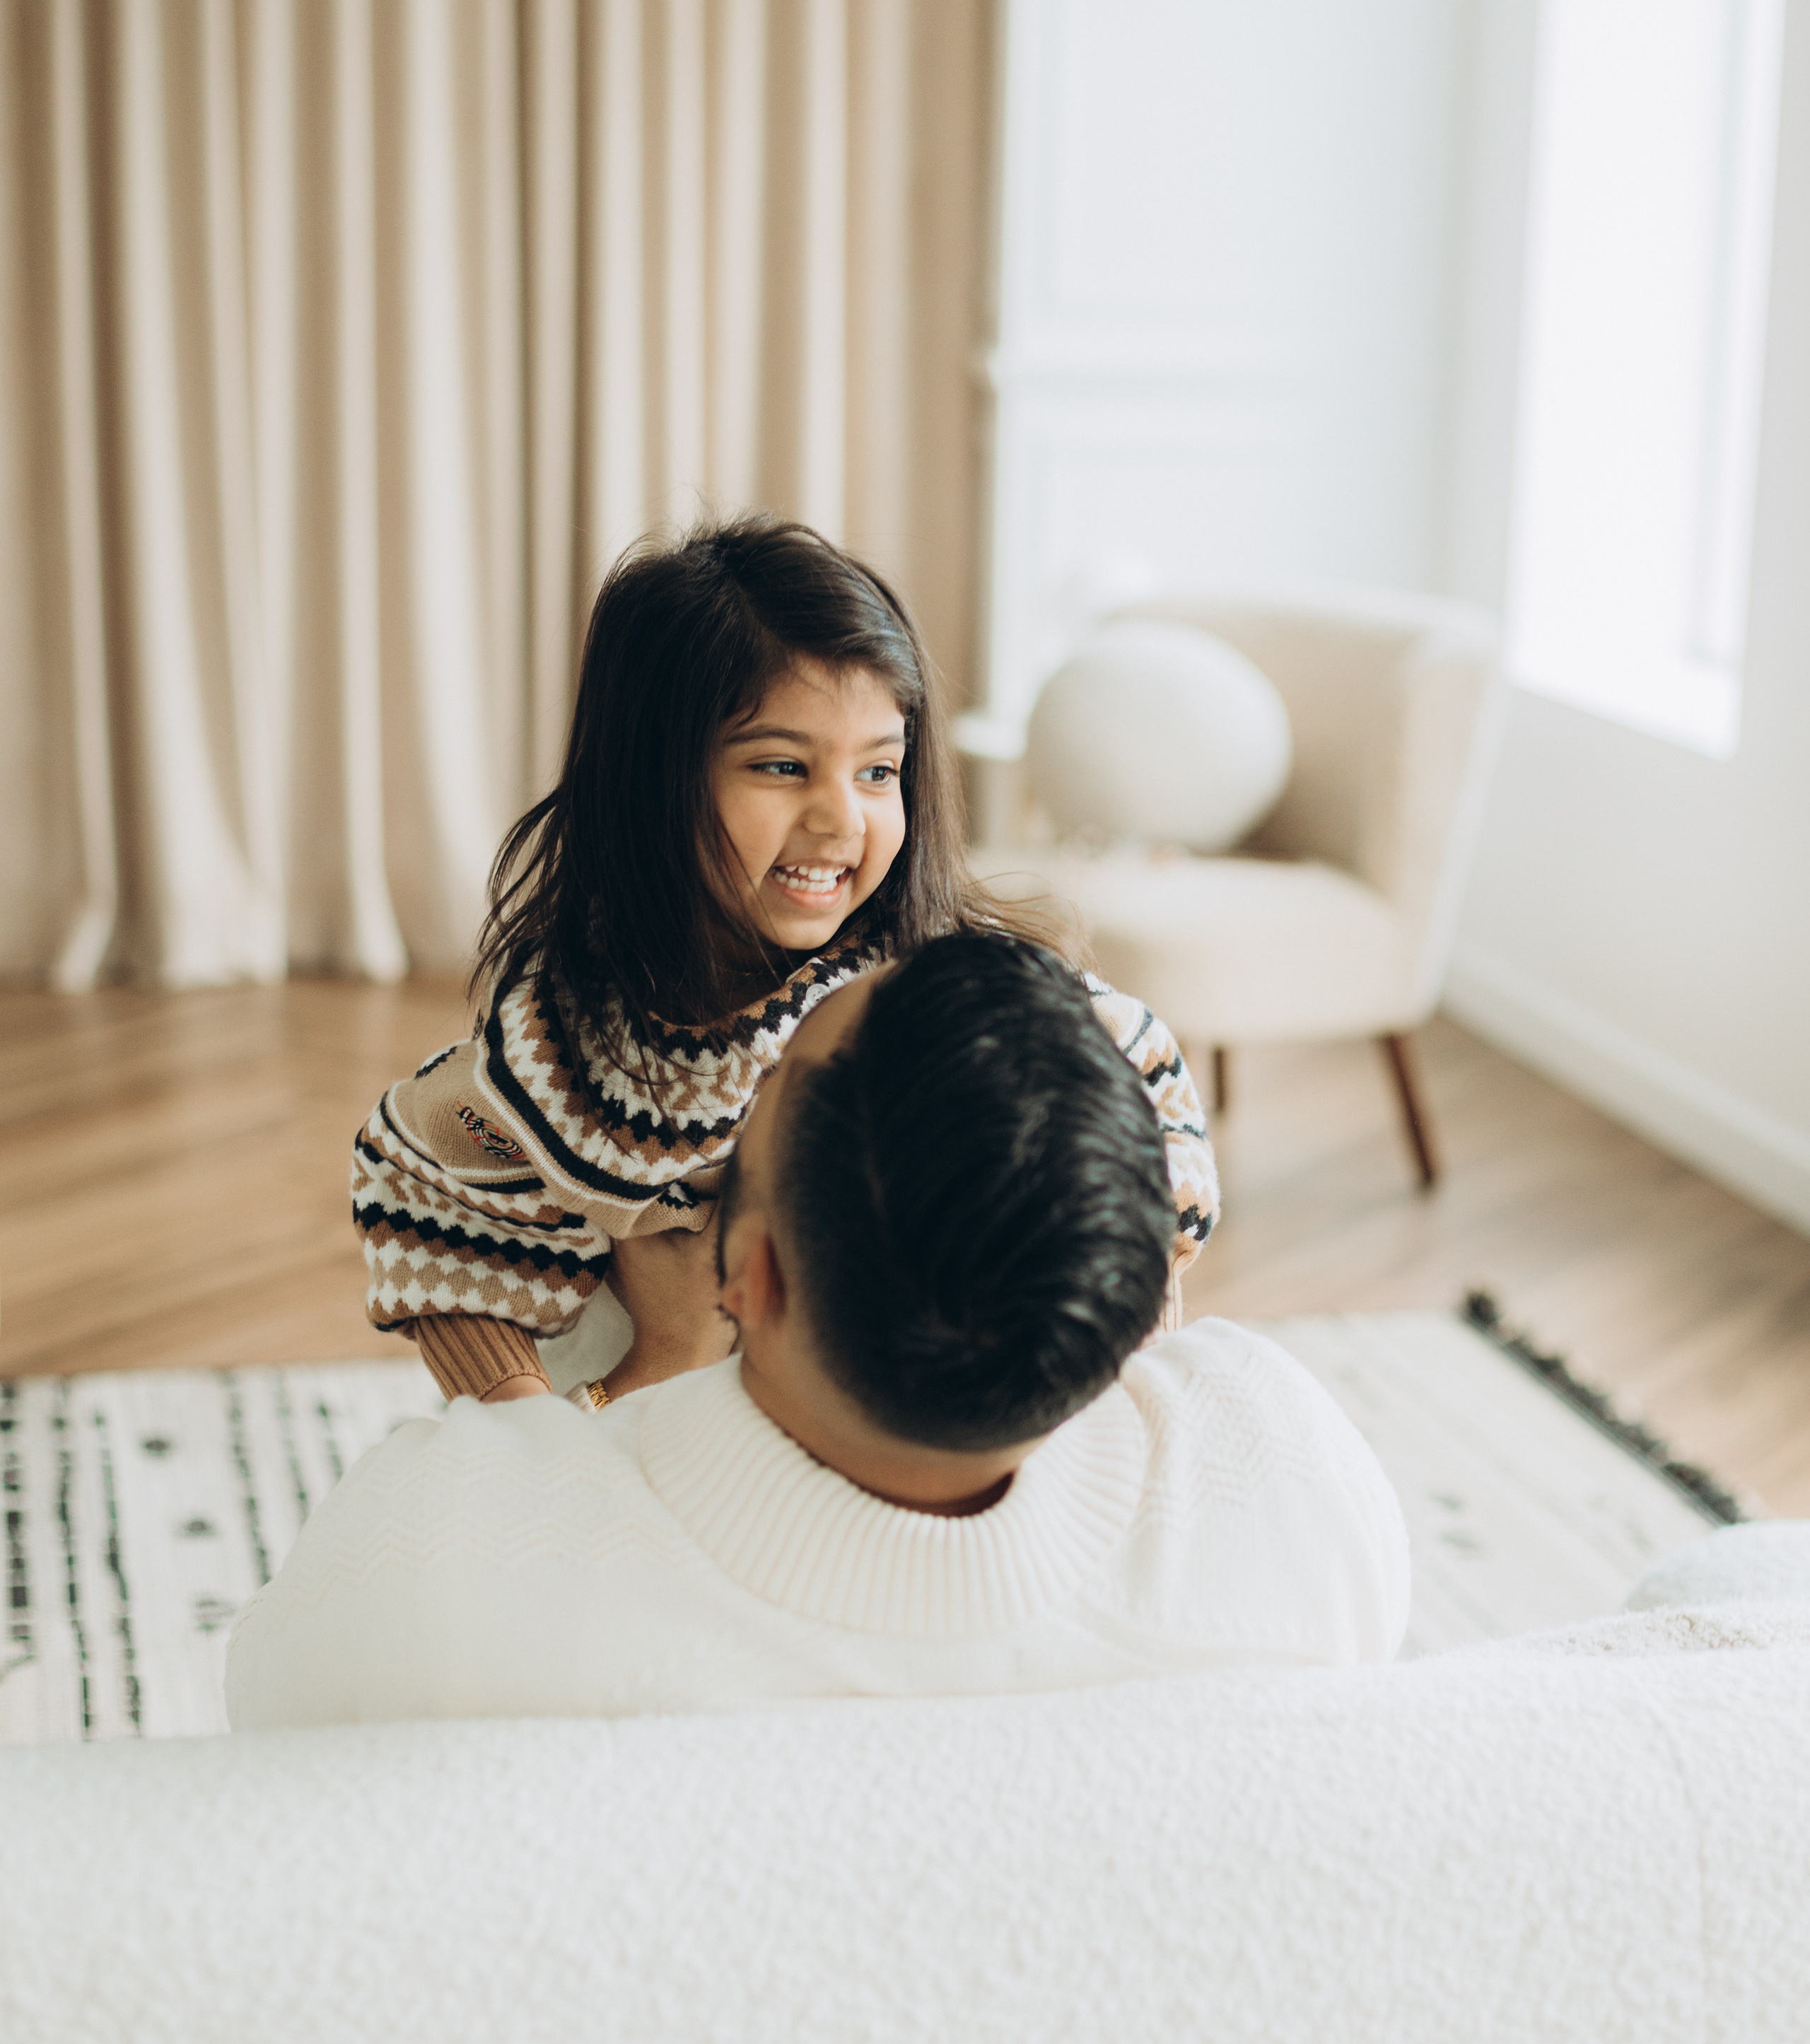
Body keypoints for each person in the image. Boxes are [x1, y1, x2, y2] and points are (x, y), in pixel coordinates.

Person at [229, 937, 1408, 1728]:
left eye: (779, 1076)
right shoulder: (1294, 1467)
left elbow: (266, 1709)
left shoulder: (443, 1562)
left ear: (751, 1268)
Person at [353, 516, 1219, 1415]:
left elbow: (1137, 1102)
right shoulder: (563, 1047)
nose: (842, 820)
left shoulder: (952, 998)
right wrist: (553, 1424)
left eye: (879, 773)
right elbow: (430, 1190)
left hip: (920, 1420)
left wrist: (1100, 1373)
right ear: (653, 779)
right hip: (639, 1442)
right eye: (780, 765)